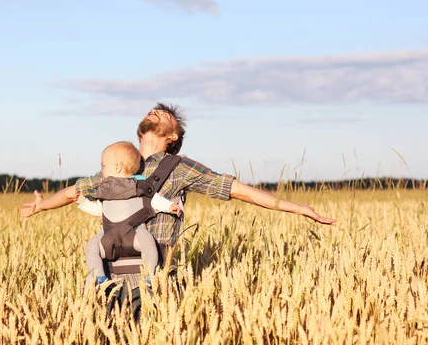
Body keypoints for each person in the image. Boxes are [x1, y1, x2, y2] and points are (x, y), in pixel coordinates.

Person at [20, 103, 336, 265]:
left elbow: (239, 191)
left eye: (168, 115)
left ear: (172, 137)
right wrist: (41, 205)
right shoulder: (118, 163)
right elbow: (75, 191)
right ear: (139, 133)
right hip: (114, 263)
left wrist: (300, 209)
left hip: (157, 267)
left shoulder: (181, 168)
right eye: (156, 109)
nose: (159, 109)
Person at [76, 141, 181, 289]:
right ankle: (99, 276)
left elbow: (153, 200)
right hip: (108, 235)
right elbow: (100, 210)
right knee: (91, 247)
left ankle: (150, 274)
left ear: (118, 167)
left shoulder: (139, 186)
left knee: (149, 244)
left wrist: (169, 206)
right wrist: (83, 203)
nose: (102, 170)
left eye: (103, 166)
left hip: (134, 233)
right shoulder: (106, 190)